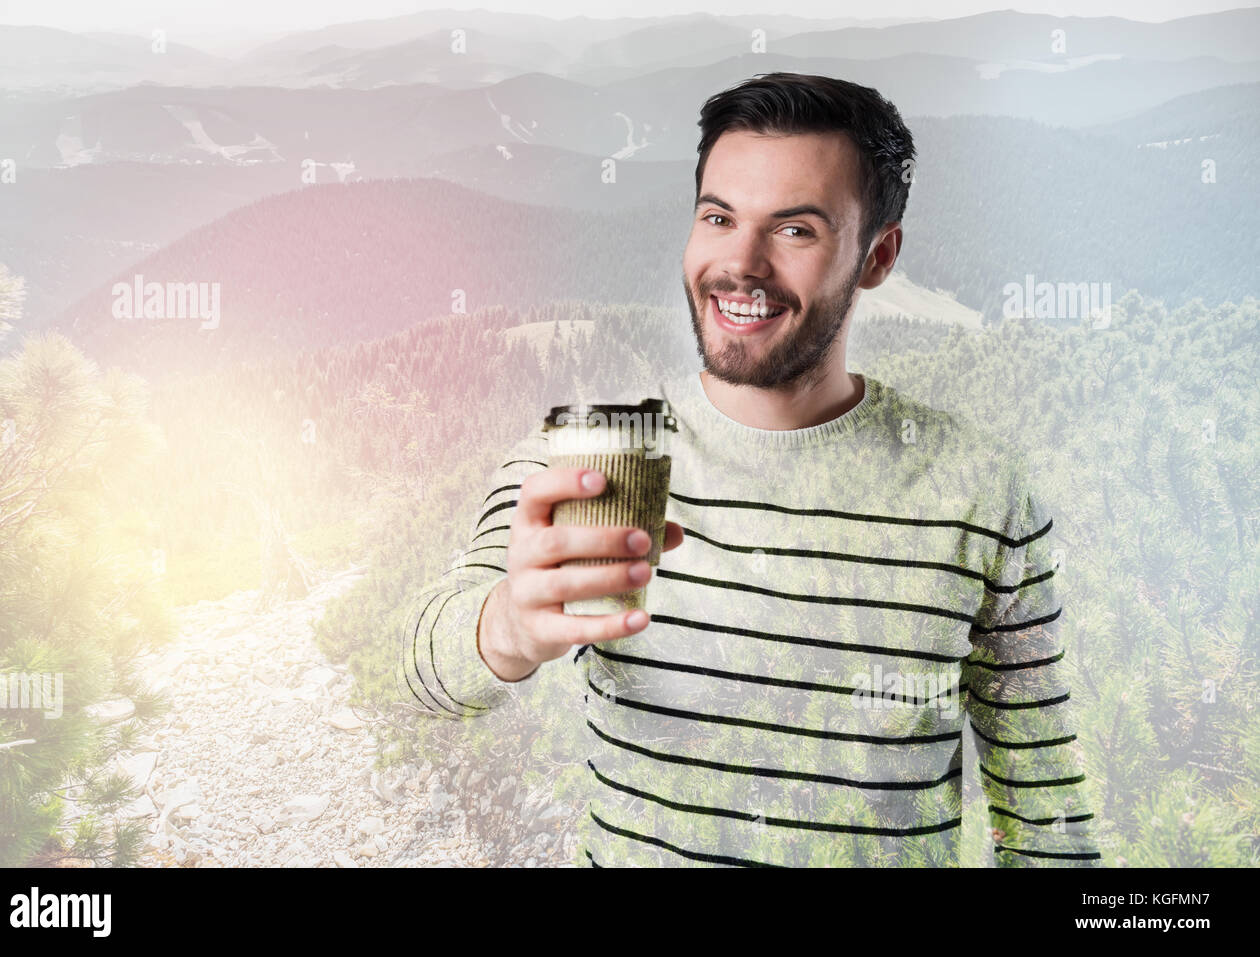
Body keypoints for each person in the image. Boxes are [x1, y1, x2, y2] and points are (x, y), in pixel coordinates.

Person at [396, 73, 1102, 867]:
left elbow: (1047, 818)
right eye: (718, 217)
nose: (740, 263)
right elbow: (428, 669)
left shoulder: (982, 489)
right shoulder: (602, 458)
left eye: (795, 230)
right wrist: (506, 627)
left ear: (878, 255)